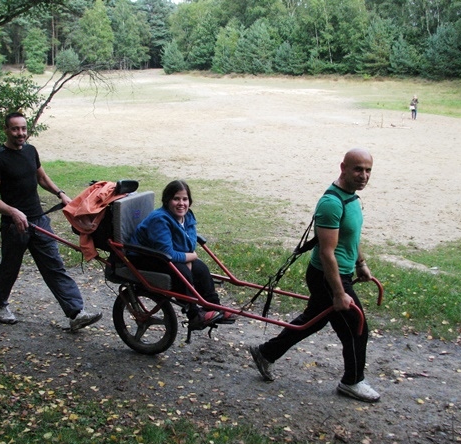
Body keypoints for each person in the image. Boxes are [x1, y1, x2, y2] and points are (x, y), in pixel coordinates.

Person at [249, 148, 380, 403]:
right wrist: (339, 293)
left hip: (338, 273)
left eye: (368, 170)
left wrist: (361, 262)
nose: (363, 175)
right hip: (329, 276)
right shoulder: (332, 203)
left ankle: (266, 353)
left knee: (314, 320)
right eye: (358, 169)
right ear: (343, 167)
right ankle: (352, 382)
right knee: (356, 328)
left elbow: (349, 237)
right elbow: (327, 253)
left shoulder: (351, 197)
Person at [0, 111, 102, 330]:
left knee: (54, 266)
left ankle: (76, 313)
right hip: (15, 225)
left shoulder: (30, 151)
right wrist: (13, 212)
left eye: (23, 128)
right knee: (10, 267)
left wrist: (61, 194)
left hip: (39, 220)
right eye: (15, 129)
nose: (21, 133)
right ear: (6, 130)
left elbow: (41, 178)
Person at [129, 180, 232, 330]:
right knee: (182, 272)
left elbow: (189, 245)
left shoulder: (187, 217)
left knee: (201, 269)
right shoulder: (160, 219)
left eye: (185, 199)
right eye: (176, 199)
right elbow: (168, 254)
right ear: (167, 200)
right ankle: (194, 315)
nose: (181, 203)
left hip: (164, 254)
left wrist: (189, 258)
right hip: (142, 257)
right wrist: (191, 257)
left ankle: (214, 307)